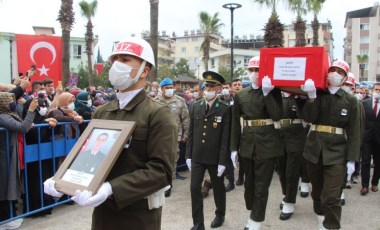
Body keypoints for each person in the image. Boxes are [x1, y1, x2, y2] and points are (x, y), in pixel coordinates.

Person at [44, 37, 177, 230]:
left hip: (138, 215)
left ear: (144, 70)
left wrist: (111, 188)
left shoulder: (157, 114)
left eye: (125, 59)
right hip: (103, 213)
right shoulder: (102, 111)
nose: (117, 65)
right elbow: (89, 156)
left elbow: (162, 171)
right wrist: (61, 181)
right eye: (114, 59)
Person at [301, 60, 360, 229]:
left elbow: (355, 132)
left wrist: (352, 160)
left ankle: (331, 226)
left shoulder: (350, 101)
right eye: (333, 70)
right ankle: (322, 222)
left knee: (331, 197)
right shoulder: (317, 94)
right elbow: (308, 118)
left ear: (345, 78)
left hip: (337, 153)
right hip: (314, 150)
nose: (335, 74)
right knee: (317, 194)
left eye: (340, 72)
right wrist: (311, 98)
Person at [230, 56, 283, 230]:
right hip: (247, 144)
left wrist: (267, 93)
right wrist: (233, 148)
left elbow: (276, 115)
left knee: (262, 185)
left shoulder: (273, 91)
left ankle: (255, 221)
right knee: (249, 185)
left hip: (267, 144)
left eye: (257, 70)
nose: (254, 73)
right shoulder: (241, 95)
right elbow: (235, 124)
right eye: (251, 70)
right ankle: (254, 211)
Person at [186, 71, 230, 230]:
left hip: (215, 157)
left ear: (219, 87)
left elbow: (225, 137)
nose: (208, 88)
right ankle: (198, 223)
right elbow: (191, 132)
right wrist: (188, 155)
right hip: (197, 156)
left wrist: (222, 161)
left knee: (218, 188)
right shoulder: (195, 106)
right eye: (207, 85)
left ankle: (220, 214)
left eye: (212, 85)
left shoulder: (224, 108)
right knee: (194, 188)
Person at [0, 93, 38, 229]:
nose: (13, 102)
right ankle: (5, 219)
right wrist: (31, 110)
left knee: (8, 186)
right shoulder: (2, 116)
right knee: (4, 187)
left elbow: (22, 125)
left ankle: (9, 217)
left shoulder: (8, 115)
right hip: (4, 157)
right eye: (9, 100)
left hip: (9, 156)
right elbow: (22, 127)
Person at [155, 77, 190, 197]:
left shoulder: (180, 101)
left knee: (173, 158)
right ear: (162, 89)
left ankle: (169, 183)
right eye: (167, 88)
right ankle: (161, 181)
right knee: (160, 158)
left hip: (176, 135)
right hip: (159, 136)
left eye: (171, 87)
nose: (169, 90)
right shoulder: (155, 101)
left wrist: (186, 134)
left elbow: (185, 118)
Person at [277, 91, 306, 220]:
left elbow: (306, 115)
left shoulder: (299, 96)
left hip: (296, 134)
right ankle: (286, 195)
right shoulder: (277, 95)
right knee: (281, 170)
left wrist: (301, 97)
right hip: (279, 134)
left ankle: (290, 201)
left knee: (292, 170)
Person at [360, 82, 380, 195]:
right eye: (376, 89)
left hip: (379, 139)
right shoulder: (364, 103)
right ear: (372, 90)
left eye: (379, 90)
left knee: (378, 162)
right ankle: (364, 186)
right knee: (365, 161)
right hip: (367, 137)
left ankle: (375, 183)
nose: (378, 92)